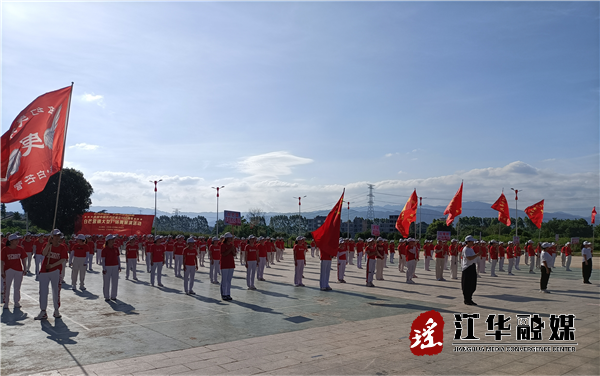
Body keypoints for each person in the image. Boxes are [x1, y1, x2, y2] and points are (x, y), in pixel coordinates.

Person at [35, 229, 68, 319]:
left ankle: (56, 310)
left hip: (56, 271)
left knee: (56, 291)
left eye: (58, 236)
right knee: (43, 291)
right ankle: (43, 311)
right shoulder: (46, 245)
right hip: (44, 271)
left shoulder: (62, 247)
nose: (57, 238)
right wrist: (49, 244)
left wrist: (52, 265)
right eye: (55, 236)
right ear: (52, 237)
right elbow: (44, 253)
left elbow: (63, 259)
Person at [2, 234, 27, 309]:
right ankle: (6, 302)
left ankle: (16, 301)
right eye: (16, 240)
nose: (17, 241)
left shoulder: (20, 249)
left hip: (18, 270)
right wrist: (2, 271)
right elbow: (1, 261)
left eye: (17, 240)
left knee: (17, 287)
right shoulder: (5, 249)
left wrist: (25, 268)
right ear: (11, 241)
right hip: (8, 270)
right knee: (7, 286)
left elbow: (23, 259)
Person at [461, 235, 480, 306]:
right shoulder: (465, 249)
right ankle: (467, 299)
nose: (473, 242)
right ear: (468, 242)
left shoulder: (471, 249)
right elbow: (469, 258)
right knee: (467, 285)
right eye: (471, 241)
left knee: (472, 284)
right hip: (467, 268)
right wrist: (477, 255)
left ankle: (470, 298)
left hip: (472, 266)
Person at [102, 234, 121, 301]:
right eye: (112, 239)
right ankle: (106, 296)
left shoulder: (116, 248)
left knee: (115, 282)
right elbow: (103, 260)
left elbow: (118, 258)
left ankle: (113, 296)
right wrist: (104, 268)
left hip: (115, 266)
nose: (113, 241)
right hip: (107, 267)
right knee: (106, 282)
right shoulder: (104, 249)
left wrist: (119, 265)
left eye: (114, 239)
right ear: (108, 240)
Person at [220, 233, 236, 301]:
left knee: (229, 280)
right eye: (230, 238)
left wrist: (233, 249)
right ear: (226, 238)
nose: (231, 239)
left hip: (231, 264)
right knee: (224, 280)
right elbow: (224, 254)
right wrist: (230, 249)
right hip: (224, 264)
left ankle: (228, 293)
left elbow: (234, 254)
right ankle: (223, 294)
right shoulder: (222, 245)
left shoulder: (232, 245)